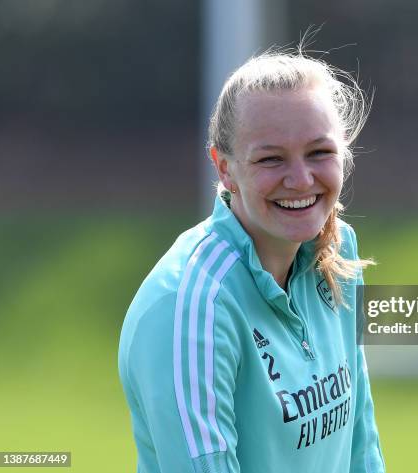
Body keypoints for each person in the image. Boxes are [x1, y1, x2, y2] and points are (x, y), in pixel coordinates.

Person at [118, 47, 386, 473]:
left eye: (319, 152)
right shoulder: (191, 306)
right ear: (224, 168)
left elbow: (361, 440)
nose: (300, 179)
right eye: (271, 159)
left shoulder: (337, 252)